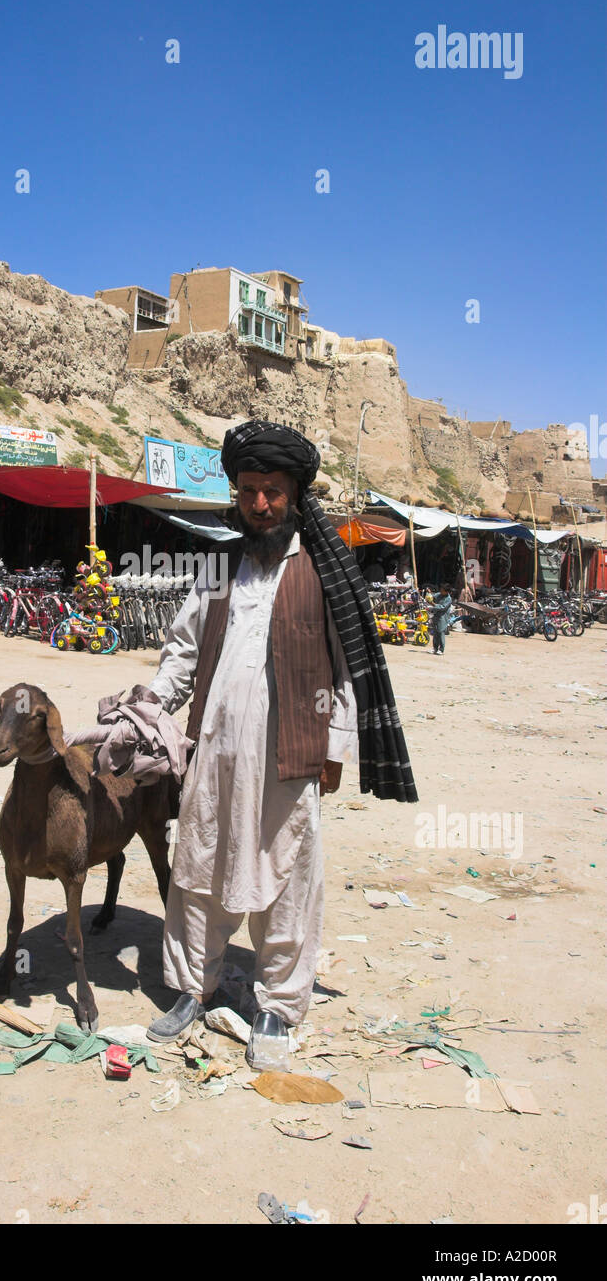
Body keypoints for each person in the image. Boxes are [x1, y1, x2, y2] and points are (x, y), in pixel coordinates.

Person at [144, 419, 417, 1066]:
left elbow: (348, 671)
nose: (260, 503)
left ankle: (277, 1008)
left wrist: (335, 750)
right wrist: (153, 710)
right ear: (236, 495)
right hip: (212, 750)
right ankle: (191, 988)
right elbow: (182, 649)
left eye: (271, 490)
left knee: (288, 880)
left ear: (295, 494)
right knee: (199, 866)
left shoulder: (327, 574)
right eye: (248, 490)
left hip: (289, 756)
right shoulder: (219, 567)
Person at [431, 585, 454, 654]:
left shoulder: (448, 599)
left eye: (442, 590)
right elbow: (433, 596)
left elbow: (442, 607)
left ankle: (441, 649)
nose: (441, 591)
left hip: (443, 617)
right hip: (436, 615)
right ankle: (435, 648)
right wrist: (429, 594)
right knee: (435, 632)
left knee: (440, 632)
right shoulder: (439, 594)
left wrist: (433, 604)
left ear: (447, 592)